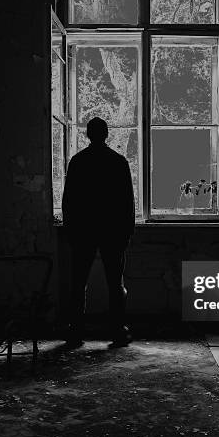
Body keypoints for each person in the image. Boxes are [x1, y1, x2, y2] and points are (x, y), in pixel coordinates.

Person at [62, 117, 135, 348]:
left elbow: (69, 201)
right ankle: (118, 331)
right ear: (106, 134)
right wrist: (126, 232)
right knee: (115, 283)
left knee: (78, 283)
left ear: (87, 135)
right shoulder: (118, 162)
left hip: (84, 231)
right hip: (112, 231)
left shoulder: (78, 162)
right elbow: (126, 203)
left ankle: (75, 331)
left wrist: (71, 230)